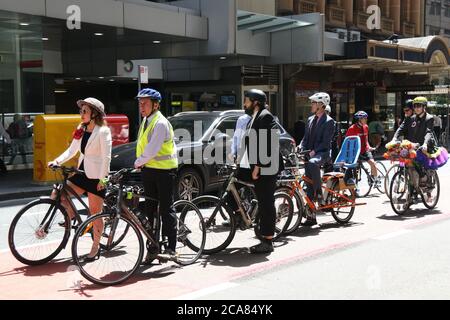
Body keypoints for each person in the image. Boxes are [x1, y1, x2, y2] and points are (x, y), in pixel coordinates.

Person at [48, 98, 112, 262]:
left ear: (94, 114)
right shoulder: (81, 129)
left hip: (96, 177)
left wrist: (103, 180)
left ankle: (95, 247)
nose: (81, 114)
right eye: (81, 110)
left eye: (85, 111)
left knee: (95, 214)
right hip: (81, 173)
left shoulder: (103, 131)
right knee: (58, 192)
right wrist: (57, 161)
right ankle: (72, 217)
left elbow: (106, 158)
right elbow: (72, 151)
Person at [227, 89, 284, 254]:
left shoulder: (266, 116)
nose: (244, 104)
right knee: (230, 184)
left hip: (266, 167)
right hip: (253, 165)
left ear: (255, 102)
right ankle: (240, 215)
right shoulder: (254, 117)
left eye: (246, 101)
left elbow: (270, 142)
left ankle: (267, 240)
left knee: (266, 202)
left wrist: (258, 165)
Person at [134, 88, 179, 263]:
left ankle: (171, 248)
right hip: (149, 170)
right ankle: (153, 248)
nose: (141, 106)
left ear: (155, 105)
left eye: (145, 103)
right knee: (150, 210)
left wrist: (138, 162)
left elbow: (152, 149)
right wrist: (141, 163)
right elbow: (143, 146)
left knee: (166, 209)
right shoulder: (146, 121)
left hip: (165, 171)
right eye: (140, 103)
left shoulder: (160, 123)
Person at [299, 92, 335, 226]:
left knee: (313, 164)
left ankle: (319, 194)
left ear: (321, 105)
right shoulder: (309, 119)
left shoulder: (329, 121)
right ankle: (311, 217)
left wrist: (314, 152)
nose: (312, 105)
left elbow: (325, 143)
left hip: (322, 154)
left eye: (314, 103)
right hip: (310, 153)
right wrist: (300, 146)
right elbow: (305, 138)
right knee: (308, 185)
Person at [392, 96, 436, 188]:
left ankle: (426, 180)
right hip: (413, 145)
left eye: (419, 106)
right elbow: (401, 128)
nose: (416, 108)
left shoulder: (429, 118)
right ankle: (412, 191)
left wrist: (424, 144)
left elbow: (429, 132)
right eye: (415, 106)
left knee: (421, 164)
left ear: (424, 107)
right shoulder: (411, 118)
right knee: (408, 162)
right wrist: (394, 138)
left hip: (425, 145)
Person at [346, 111, 380, 189]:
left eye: (366, 118)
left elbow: (366, 140)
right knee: (352, 168)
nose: (366, 119)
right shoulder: (352, 129)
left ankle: (375, 180)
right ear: (359, 119)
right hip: (355, 151)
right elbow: (347, 142)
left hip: (365, 150)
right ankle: (353, 186)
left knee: (373, 163)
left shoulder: (366, 127)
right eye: (364, 118)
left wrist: (369, 147)